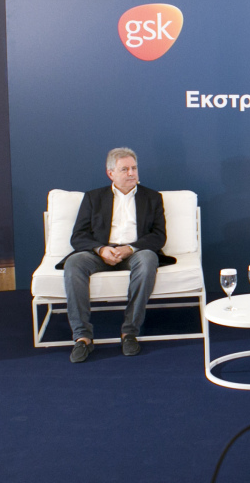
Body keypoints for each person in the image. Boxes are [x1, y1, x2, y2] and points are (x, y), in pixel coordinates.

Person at [55, 148, 176, 363]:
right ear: (110, 173)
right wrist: (101, 249)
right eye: (125, 169)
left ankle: (129, 332)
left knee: (149, 259)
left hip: (135, 252)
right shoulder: (93, 197)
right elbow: (78, 236)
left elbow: (159, 236)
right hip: (100, 253)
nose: (131, 173)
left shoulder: (152, 197)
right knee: (74, 263)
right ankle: (82, 337)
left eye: (134, 168)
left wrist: (130, 248)